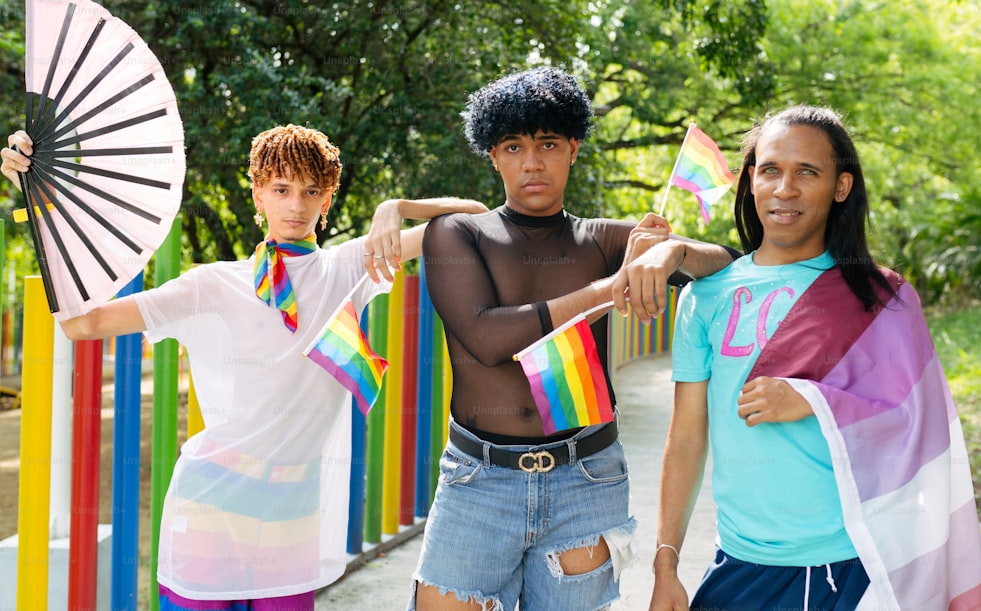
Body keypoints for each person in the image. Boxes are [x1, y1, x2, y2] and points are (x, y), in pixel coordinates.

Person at [1, 125, 488, 610]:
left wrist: (396, 209)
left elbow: (477, 219)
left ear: (327, 199)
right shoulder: (211, 285)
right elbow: (84, 324)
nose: (296, 206)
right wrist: (39, 203)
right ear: (257, 194)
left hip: (291, 514)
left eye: (310, 191)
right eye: (281, 189)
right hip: (212, 503)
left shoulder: (347, 268)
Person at [631, 105, 981, 610]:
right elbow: (688, 437)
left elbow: (918, 426)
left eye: (808, 172)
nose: (786, 189)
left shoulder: (881, 298)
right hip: (740, 566)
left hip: (854, 568)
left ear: (841, 186)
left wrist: (811, 399)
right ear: (751, 181)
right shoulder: (705, 297)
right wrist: (666, 563)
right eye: (771, 170)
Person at [412, 66, 738, 611]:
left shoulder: (608, 239)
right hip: (479, 478)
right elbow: (487, 337)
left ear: (573, 149)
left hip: (585, 477)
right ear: (493, 155)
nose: (532, 161)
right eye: (514, 146)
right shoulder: (458, 234)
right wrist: (608, 290)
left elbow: (728, 264)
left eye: (548, 143)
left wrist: (668, 252)